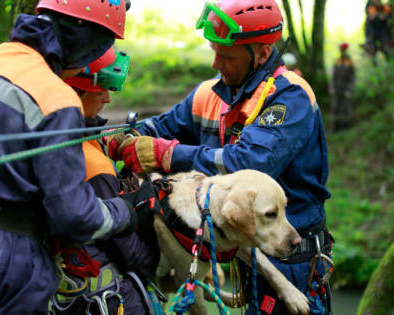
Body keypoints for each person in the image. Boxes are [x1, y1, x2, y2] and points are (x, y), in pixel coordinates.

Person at [105, 0, 334, 314]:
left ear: (263, 54)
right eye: (214, 51)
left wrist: (167, 155)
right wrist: (125, 137)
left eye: (225, 55)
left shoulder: (289, 96)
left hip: (289, 255)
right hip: (239, 244)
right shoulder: (208, 94)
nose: (215, 63)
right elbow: (161, 128)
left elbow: (247, 164)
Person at [0, 1, 137, 314]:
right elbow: (74, 216)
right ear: (88, 40)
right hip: (4, 264)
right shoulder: (55, 98)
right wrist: (125, 212)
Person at [52, 47, 159, 315]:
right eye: (103, 88)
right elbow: (126, 247)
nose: (109, 99)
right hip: (103, 294)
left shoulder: (59, 138)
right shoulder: (91, 163)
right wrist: (156, 266)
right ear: (75, 91)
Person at [330, 43, 356, 132]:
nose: (342, 51)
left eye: (343, 49)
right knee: (335, 108)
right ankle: (336, 127)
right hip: (337, 89)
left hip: (346, 89)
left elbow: (352, 78)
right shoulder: (337, 61)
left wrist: (349, 90)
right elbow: (333, 76)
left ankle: (346, 127)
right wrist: (332, 87)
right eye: (341, 49)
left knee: (346, 108)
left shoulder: (350, 62)